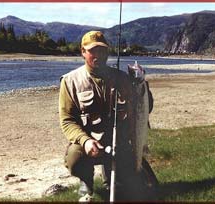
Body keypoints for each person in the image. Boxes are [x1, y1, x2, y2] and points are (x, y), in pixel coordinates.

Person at [59, 30, 154, 202]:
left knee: (141, 190)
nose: (98, 55)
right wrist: (85, 141)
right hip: (90, 141)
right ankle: (86, 181)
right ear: (83, 52)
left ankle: (115, 176)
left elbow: (145, 108)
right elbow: (67, 120)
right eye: (92, 50)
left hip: (119, 142)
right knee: (75, 158)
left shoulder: (123, 78)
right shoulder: (70, 81)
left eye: (102, 50)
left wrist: (142, 86)